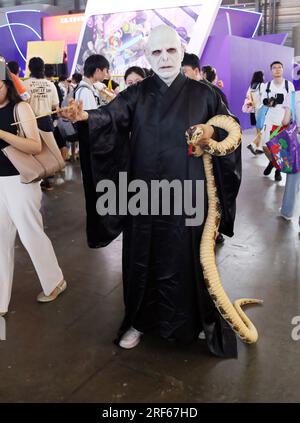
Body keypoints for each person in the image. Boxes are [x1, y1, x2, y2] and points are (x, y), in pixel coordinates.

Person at [61, 25, 241, 358]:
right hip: (144, 195)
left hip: (189, 193)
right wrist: (85, 115)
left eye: (171, 51)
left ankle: (197, 320)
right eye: (156, 52)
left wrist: (210, 130)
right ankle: (138, 321)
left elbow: (229, 129)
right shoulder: (136, 93)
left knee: (189, 259)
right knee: (142, 258)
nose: (165, 58)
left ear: (181, 50)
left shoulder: (205, 94)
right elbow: (110, 118)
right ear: (147, 56)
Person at [0, 61, 66, 316]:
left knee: (30, 234)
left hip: (21, 180)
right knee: (1, 239)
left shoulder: (20, 108)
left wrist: (3, 134)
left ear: (7, 84)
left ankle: (54, 281)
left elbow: (34, 146)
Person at [23, 57, 61, 191]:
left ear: (29, 69)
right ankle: (47, 181)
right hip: (46, 120)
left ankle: (34, 179)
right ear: (43, 68)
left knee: (31, 152)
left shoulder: (25, 84)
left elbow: (20, 105)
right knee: (47, 151)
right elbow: (56, 106)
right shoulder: (50, 85)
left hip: (29, 121)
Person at [261, 61, 295, 181]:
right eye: (274, 68)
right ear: (271, 71)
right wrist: (269, 102)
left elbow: (292, 102)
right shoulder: (267, 85)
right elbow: (263, 100)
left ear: (282, 69)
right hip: (270, 120)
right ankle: (272, 163)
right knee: (266, 147)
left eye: (279, 67)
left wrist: (290, 119)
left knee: (280, 148)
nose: (277, 69)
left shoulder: (289, 85)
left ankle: (277, 170)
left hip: (283, 121)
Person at [280, 90, 300, 226]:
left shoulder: (293, 96)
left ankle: (287, 212)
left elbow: (285, 121)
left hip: (297, 141)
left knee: (293, 177)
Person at [243, 71, 265, 155]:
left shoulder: (251, 87)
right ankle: (253, 144)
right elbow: (264, 98)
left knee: (258, 130)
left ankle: (259, 147)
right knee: (264, 129)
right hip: (261, 111)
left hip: (253, 111)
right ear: (261, 77)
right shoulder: (262, 86)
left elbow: (248, 97)